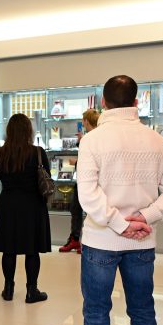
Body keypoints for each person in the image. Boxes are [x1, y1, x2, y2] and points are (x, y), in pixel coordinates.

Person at [52, 75, 163, 325]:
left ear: (103, 103)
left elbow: (87, 195)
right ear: (136, 102)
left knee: (96, 311)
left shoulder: (92, 141)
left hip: (101, 240)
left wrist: (117, 223)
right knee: (142, 311)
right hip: (141, 241)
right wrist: (144, 217)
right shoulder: (157, 141)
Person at [0, 113, 51, 304]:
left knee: (8, 249)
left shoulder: (0, 153)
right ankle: (31, 291)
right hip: (32, 205)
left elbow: (2, 177)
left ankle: (8, 289)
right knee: (32, 250)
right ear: (28, 130)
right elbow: (46, 177)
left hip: (8, 204)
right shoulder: (37, 152)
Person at [59, 108, 101, 253]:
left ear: (86, 121)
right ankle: (76, 239)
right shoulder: (92, 137)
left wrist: (75, 162)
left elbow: (91, 162)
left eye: (83, 121)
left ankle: (86, 241)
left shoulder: (93, 138)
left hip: (89, 180)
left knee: (84, 210)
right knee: (76, 209)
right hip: (84, 180)